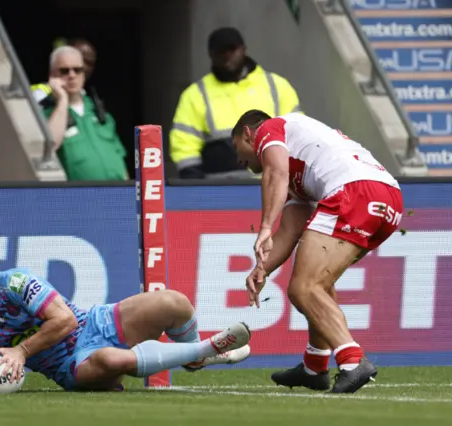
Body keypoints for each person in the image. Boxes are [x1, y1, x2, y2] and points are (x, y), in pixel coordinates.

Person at [231, 110, 404, 394]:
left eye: (236, 147)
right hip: (387, 200)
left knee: (304, 288)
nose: (239, 159)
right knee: (318, 284)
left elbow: (275, 172)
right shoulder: (299, 168)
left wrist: (264, 226)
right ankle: (315, 367)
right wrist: (262, 270)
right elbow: (289, 230)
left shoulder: (270, 129)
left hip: (355, 192)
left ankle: (352, 361)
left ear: (248, 134)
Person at [0, 247, 251, 392]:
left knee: (173, 302)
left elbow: (66, 320)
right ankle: (205, 349)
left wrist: (22, 351)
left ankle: (194, 356)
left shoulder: (15, 283)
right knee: (111, 359)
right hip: (70, 366)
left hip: (93, 323)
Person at [170, 27, 301, 179]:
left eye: (231, 49)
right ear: (211, 55)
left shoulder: (277, 86)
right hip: (220, 193)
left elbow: (296, 132)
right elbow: (184, 143)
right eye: (220, 51)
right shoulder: (195, 94)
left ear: (243, 50)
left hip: (272, 186)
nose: (227, 55)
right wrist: (194, 185)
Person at [31, 46, 129, 181]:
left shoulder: (99, 112)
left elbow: (119, 157)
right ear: (52, 75)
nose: (72, 75)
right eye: (64, 71)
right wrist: (62, 100)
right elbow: (49, 146)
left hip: (117, 195)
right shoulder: (48, 113)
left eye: (77, 70)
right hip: (81, 197)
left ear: (84, 74)